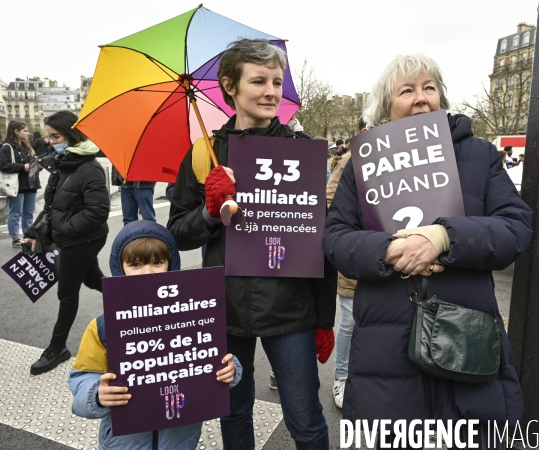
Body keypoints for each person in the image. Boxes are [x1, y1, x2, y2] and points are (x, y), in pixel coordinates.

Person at [323, 55, 533, 449]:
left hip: (466, 340)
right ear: (386, 107)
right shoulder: (359, 166)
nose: (421, 99)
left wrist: (443, 238)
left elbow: (516, 228)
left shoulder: (480, 155)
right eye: (407, 91)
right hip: (386, 354)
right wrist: (388, 250)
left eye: (429, 88)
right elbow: (335, 238)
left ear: (441, 97)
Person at [168, 38, 336, 450]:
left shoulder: (302, 151)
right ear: (230, 86)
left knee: (306, 422)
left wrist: (324, 317)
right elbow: (176, 232)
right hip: (223, 311)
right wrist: (210, 211)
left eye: (277, 82)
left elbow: (319, 238)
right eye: (258, 81)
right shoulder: (202, 155)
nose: (271, 92)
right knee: (234, 415)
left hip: (290, 312)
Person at [68, 220, 242, 449]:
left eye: (157, 262)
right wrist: (97, 394)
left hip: (180, 438)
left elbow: (214, 358)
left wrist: (232, 370)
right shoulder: (103, 326)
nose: (147, 273)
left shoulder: (194, 317)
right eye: (135, 265)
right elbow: (81, 376)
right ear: (120, 268)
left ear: (171, 265)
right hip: (124, 441)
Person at [24, 110, 110, 375]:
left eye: (55, 136)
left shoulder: (89, 168)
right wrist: (33, 231)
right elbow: (53, 206)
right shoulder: (65, 161)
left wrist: (62, 231)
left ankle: (57, 348)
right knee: (92, 278)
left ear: (72, 134)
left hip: (83, 239)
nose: (50, 141)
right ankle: (128, 297)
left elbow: (98, 211)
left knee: (67, 293)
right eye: (49, 136)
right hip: (75, 236)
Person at [325, 117, 366, 409]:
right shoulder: (350, 160)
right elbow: (329, 201)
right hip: (356, 256)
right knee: (350, 320)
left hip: (389, 259)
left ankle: (364, 377)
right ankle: (341, 377)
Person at [0, 121, 41, 248]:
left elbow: (30, 164)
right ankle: (15, 238)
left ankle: (28, 237)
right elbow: (3, 165)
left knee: (29, 213)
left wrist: (37, 166)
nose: (28, 133)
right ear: (16, 131)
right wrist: (23, 167)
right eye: (25, 131)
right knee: (16, 212)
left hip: (30, 183)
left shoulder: (26, 145)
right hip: (16, 184)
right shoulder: (7, 146)